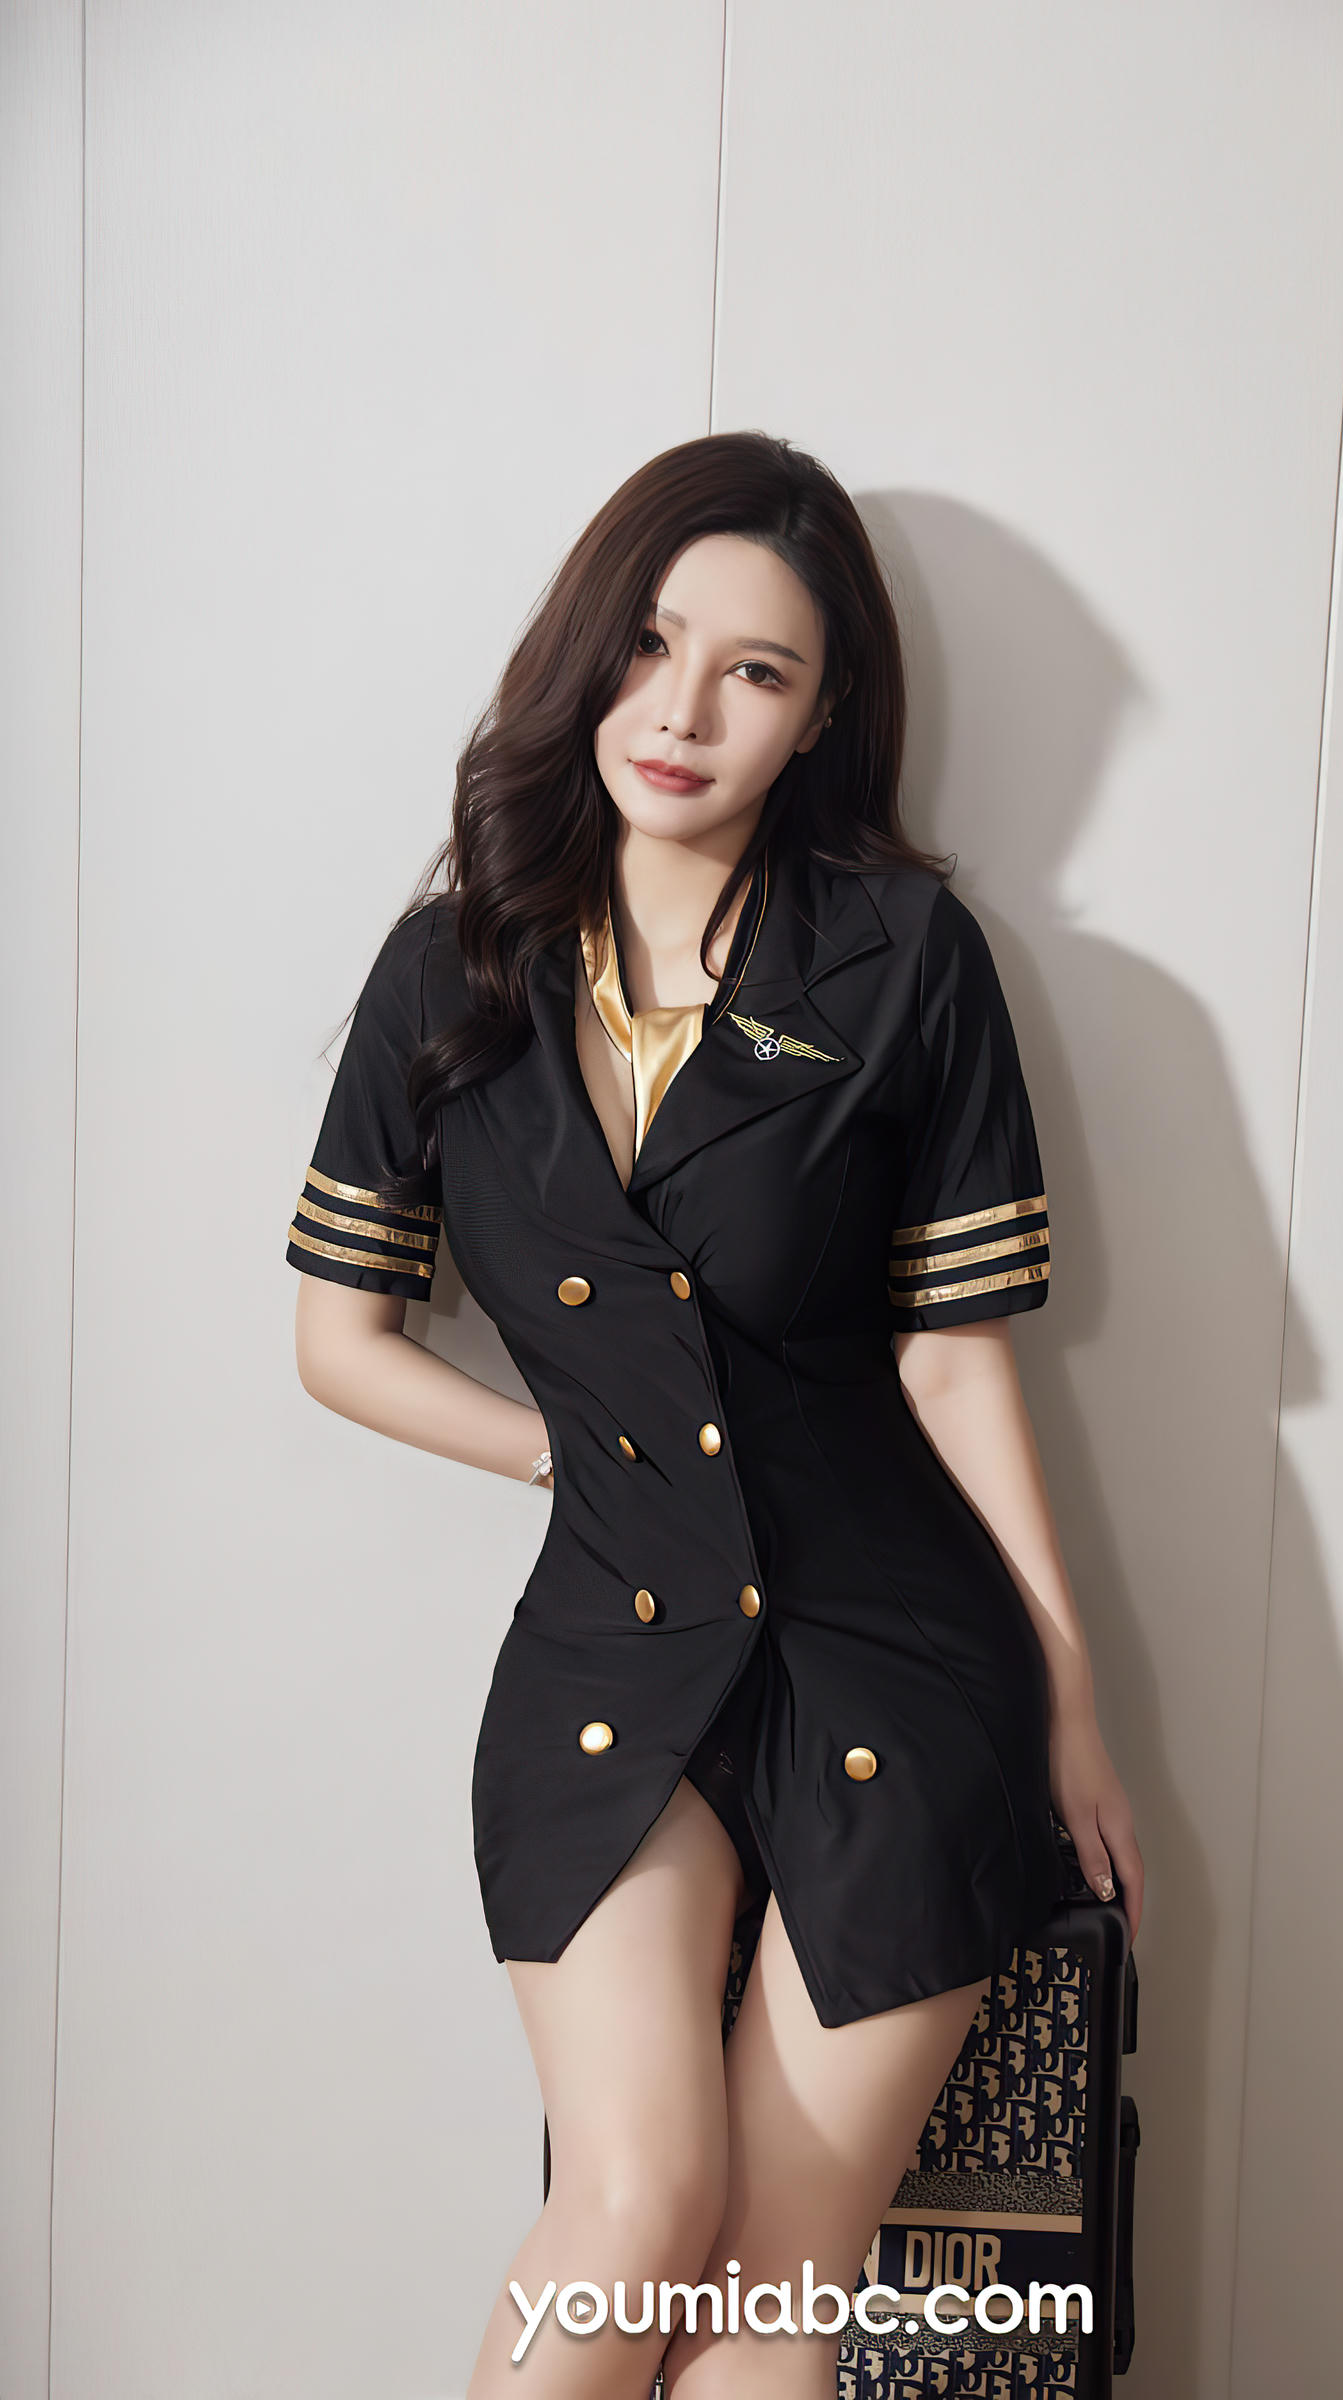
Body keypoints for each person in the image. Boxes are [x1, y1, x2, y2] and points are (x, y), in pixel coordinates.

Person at [286, 429, 1143, 2399]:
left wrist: (1072, 1692)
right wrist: (567, 1458)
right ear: (583, 653)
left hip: (893, 1650)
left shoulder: (906, 957)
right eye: (650, 645)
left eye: (755, 671)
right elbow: (339, 1342)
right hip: (609, 1638)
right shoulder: (448, 971)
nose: (682, 712)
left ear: (820, 714)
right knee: (635, 2204)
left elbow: (953, 1357)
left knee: (776, 2277)